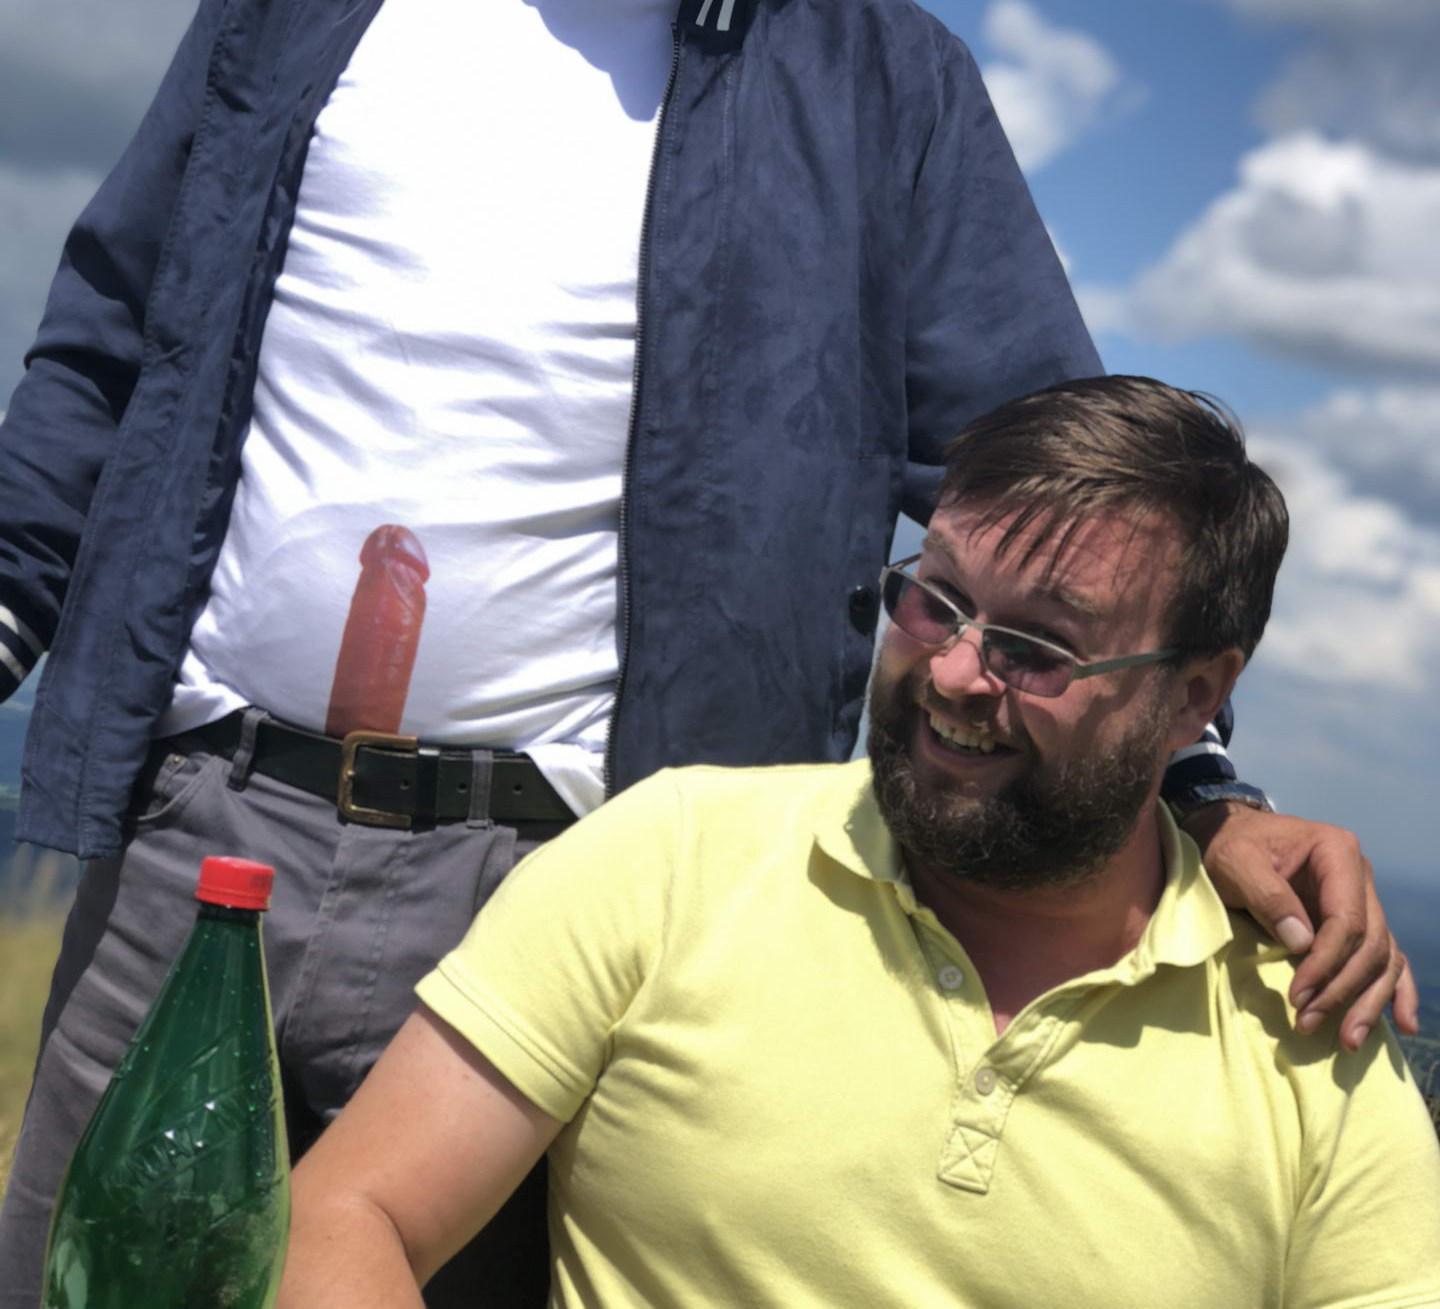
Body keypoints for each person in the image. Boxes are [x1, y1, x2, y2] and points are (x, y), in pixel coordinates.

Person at [0, 0, 1414, 1309]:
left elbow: (1061, 494)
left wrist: (1207, 789)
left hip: (566, 903)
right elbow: (112, 333)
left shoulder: (883, 84)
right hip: (193, 841)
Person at [278, 377, 1440, 1309]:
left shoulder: (1310, 1026)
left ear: (1194, 698)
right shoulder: (673, 861)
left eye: (1037, 648)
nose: (954, 672)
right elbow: (346, 1215)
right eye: (937, 598)